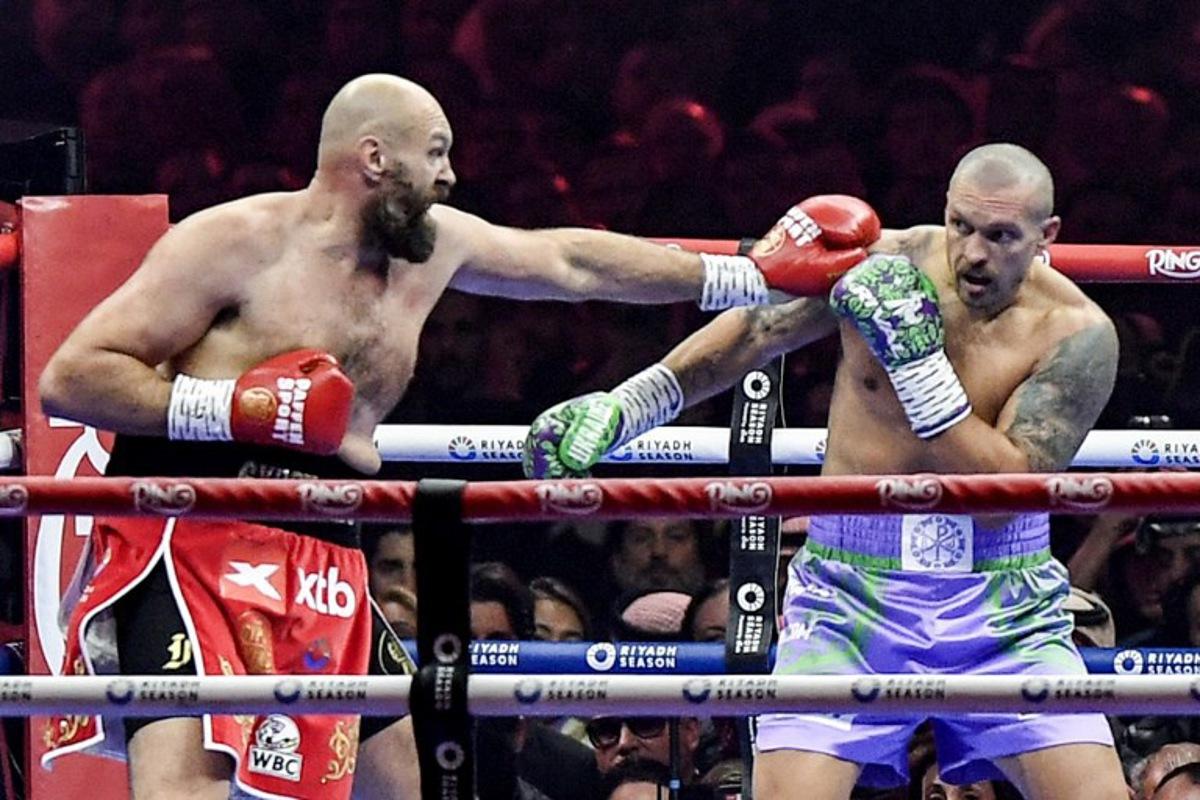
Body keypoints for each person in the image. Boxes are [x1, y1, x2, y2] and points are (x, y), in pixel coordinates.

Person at [36, 72, 877, 800]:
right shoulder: (235, 242)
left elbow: (572, 262)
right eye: (435, 153)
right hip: (198, 536)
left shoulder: (430, 249)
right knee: (187, 785)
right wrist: (236, 409)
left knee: (402, 782)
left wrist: (749, 271)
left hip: (326, 545)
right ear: (375, 159)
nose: (450, 175)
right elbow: (71, 377)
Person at [523, 143, 1126, 800]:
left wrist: (919, 369)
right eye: (962, 226)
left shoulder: (1077, 334)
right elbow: (757, 332)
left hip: (1001, 607)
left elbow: (1001, 496)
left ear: (1048, 236)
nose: (974, 254)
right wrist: (628, 406)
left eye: (1002, 236)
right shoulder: (885, 264)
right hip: (849, 596)